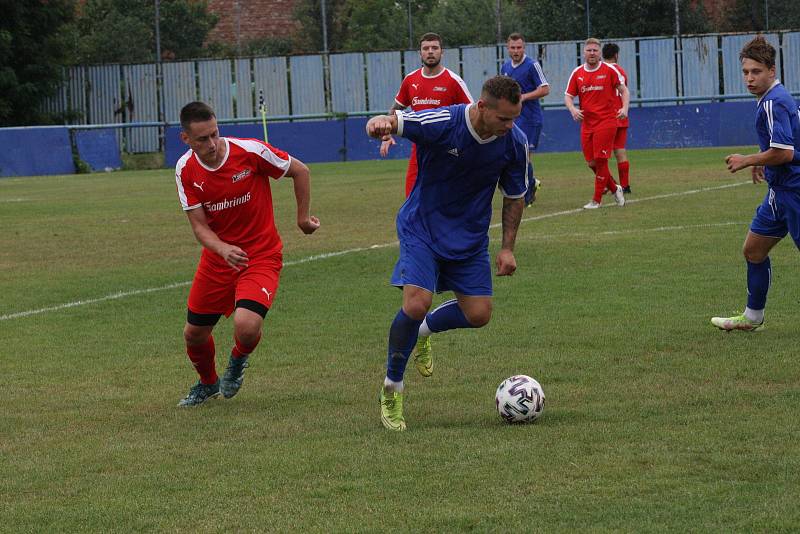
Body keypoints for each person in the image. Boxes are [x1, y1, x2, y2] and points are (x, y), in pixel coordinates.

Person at [366, 76, 528, 431]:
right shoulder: (444, 122)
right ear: (482, 107)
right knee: (414, 303)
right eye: (504, 118)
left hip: (468, 238)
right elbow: (396, 121)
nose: (510, 125)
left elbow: (514, 195)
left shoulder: (514, 142)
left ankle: (423, 332)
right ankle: (392, 388)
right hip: (422, 228)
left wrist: (507, 248)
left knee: (480, 314)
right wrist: (380, 123)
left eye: (515, 117)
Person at [174, 101, 320, 406]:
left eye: (214, 134)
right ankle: (207, 383)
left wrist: (303, 218)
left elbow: (300, 171)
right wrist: (222, 248)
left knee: (247, 325)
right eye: (202, 139)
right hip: (219, 259)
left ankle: (238, 361)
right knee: (194, 335)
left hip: (261, 255)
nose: (212, 144)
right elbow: (200, 227)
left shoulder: (250, 151)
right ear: (185, 139)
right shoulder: (185, 169)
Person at [711, 36, 800, 332]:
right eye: (746, 72)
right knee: (753, 251)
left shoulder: (775, 102)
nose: (749, 78)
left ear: (772, 71)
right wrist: (764, 160)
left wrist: (749, 159)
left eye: (756, 72)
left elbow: (785, 152)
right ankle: (752, 317)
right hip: (780, 191)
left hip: (795, 191)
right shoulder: (771, 100)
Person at [380, 32, 474, 197]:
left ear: (442, 52)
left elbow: (473, 115)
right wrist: (387, 135)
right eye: (426, 48)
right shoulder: (410, 80)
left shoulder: (454, 81)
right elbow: (395, 110)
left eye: (435, 48)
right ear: (420, 53)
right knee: (412, 197)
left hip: (448, 151)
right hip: (420, 150)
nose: (430, 51)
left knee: (445, 200)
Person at [564, 38, 629, 209]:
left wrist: (625, 108)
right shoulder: (577, 73)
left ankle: (596, 200)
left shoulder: (609, 70)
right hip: (587, 124)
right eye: (589, 50)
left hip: (607, 121)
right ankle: (615, 188)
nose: (592, 53)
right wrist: (573, 109)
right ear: (584, 52)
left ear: (599, 53)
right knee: (591, 163)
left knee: (601, 160)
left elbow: (624, 90)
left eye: (595, 50)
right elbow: (568, 96)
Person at [501, 32, 549, 206]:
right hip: (511, 119)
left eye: (519, 47)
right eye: (512, 48)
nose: (516, 51)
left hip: (530, 119)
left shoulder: (532, 65)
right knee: (512, 156)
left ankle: (527, 196)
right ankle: (531, 183)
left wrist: (523, 97)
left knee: (525, 156)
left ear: (524, 47)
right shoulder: (505, 67)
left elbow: (545, 89)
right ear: (507, 48)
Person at [602, 42, 632, 194]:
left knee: (601, 155)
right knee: (620, 151)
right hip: (621, 115)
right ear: (616, 55)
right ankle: (625, 186)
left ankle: (610, 184)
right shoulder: (621, 71)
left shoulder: (601, 70)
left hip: (606, 117)